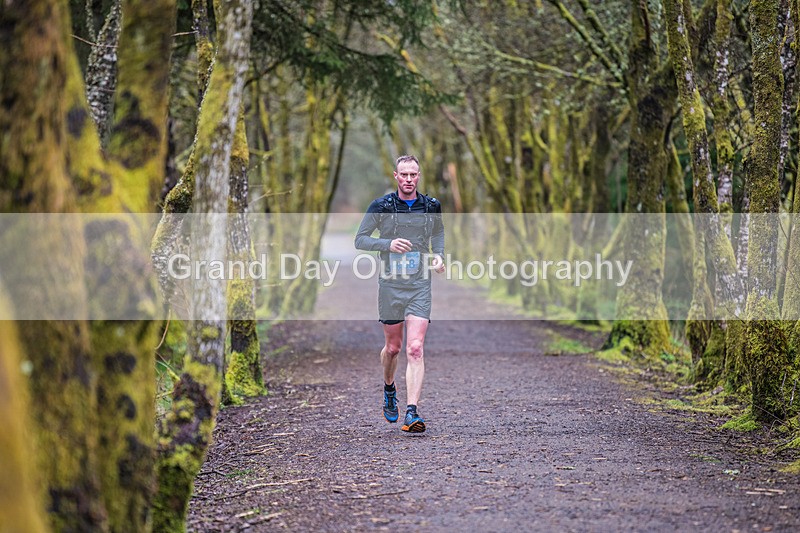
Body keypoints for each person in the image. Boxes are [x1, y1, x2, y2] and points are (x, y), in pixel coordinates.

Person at [354, 154, 445, 433]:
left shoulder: (431, 206)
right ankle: (389, 388)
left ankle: (412, 412)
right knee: (393, 348)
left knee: (415, 348)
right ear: (395, 176)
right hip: (391, 285)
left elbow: (438, 234)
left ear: (419, 176)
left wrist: (439, 257)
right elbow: (360, 239)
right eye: (403, 175)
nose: (408, 180)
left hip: (419, 284)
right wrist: (388, 244)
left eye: (413, 175)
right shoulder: (381, 206)